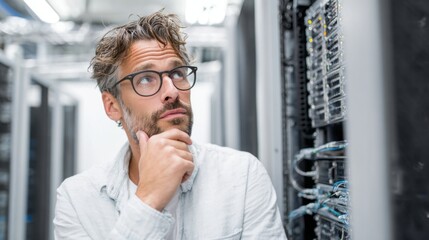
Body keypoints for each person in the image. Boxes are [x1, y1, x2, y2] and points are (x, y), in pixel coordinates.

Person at [54, 11, 287, 240]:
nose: (172, 92)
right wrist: (148, 199)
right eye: (146, 78)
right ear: (112, 106)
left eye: (177, 73)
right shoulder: (77, 200)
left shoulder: (242, 176)